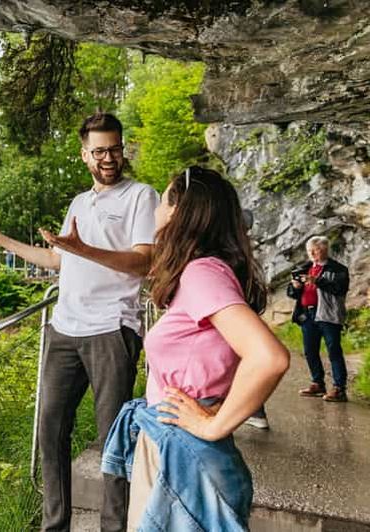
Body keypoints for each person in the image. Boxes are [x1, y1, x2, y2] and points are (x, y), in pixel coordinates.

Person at [0, 112, 159, 531]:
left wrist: (84, 249)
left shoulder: (142, 196)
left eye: (114, 148)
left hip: (112, 329)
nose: (108, 158)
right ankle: (54, 526)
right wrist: (3, 241)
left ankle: (114, 527)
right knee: (50, 432)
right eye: (99, 151)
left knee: (114, 439)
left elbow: (143, 262)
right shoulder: (79, 202)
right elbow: (58, 260)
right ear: (84, 155)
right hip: (64, 330)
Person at [99, 166, 290, 530]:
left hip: (181, 449)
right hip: (178, 442)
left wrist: (213, 424)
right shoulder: (206, 271)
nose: (154, 209)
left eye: (162, 199)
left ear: (178, 212)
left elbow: (269, 357)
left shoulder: (201, 273)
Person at [288, 236, 350, 402]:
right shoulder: (304, 268)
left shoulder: (338, 269)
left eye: (316, 250)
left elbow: (340, 289)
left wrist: (318, 281)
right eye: (310, 250)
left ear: (325, 250)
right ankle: (317, 383)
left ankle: (339, 388)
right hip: (307, 314)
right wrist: (295, 287)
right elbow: (291, 293)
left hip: (328, 314)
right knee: (310, 351)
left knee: (333, 350)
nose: (312, 253)